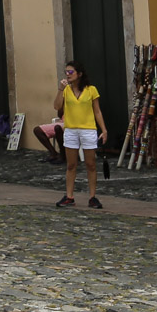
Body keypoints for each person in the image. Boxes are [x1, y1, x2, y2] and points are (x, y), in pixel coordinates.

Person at [54, 63, 107, 209]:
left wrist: (104, 129)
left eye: (71, 71)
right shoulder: (66, 90)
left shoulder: (91, 90)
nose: (68, 74)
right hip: (71, 130)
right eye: (66, 72)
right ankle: (69, 196)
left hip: (88, 130)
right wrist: (60, 90)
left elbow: (97, 111)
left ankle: (92, 197)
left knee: (90, 164)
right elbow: (57, 107)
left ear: (79, 73)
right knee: (71, 165)